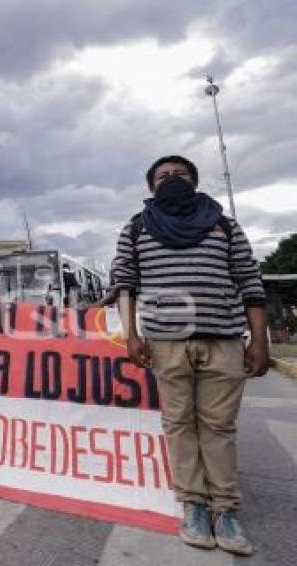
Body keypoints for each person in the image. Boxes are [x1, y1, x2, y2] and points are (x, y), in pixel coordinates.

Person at [111, 155, 268, 556]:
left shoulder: (224, 225)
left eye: (180, 174)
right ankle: (194, 505)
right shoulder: (136, 227)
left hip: (224, 339)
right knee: (179, 423)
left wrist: (259, 339)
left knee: (218, 426)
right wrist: (132, 336)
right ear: (152, 188)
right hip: (166, 343)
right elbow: (125, 283)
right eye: (162, 176)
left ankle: (226, 510)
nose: (171, 179)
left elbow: (249, 281)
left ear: (194, 182)